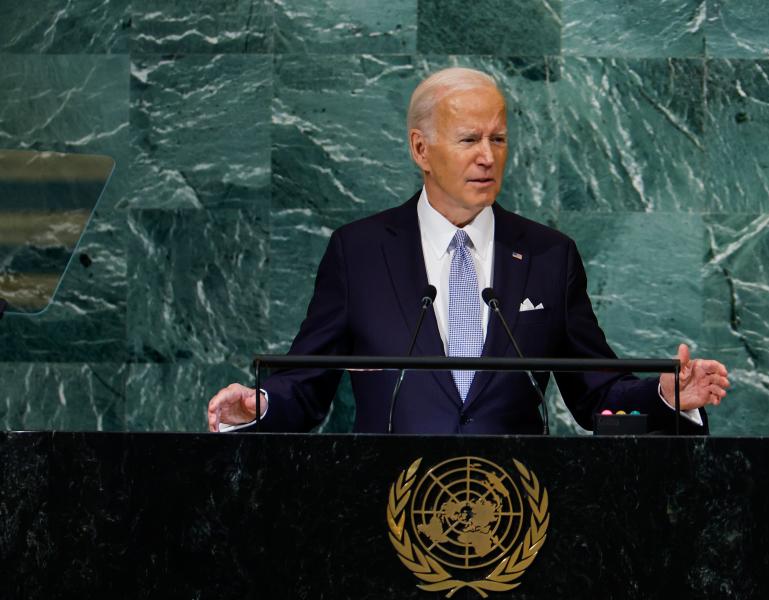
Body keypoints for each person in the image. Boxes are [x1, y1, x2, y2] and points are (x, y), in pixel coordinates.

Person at [207, 67, 729, 434]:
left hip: (519, 520)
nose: (487, 157)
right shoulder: (358, 252)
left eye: (498, 140)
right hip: (382, 517)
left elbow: (597, 397)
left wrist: (665, 396)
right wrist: (259, 406)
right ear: (420, 149)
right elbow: (305, 385)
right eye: (469, 140)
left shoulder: (550, 256)